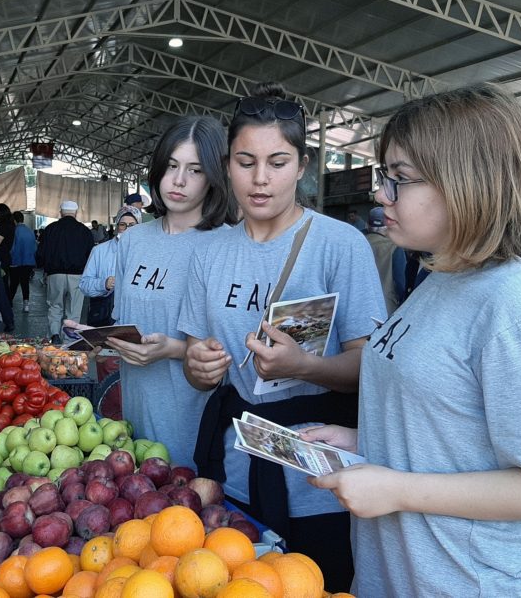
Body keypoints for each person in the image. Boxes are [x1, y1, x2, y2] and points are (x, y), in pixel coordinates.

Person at [304, 84, 521, 596]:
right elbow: (455, 424)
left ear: (467, 184)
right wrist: (367, 442)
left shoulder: (512, 306)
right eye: (386, 178)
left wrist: (398, 488)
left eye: (400, 180)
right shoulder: (439, 280)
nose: (382, 195)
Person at [179, 84, 384, 592]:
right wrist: (197, 366)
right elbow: (196, 356)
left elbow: (370, 365)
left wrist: (304, 367)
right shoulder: (208, 253)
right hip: (233, 471)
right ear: (227, 163)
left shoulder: (340, 245)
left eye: (278, 161)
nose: (261, 179)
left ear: (303, 164)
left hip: (318, 481)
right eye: (246, 162)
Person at [108, 115, 237, 470]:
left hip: (191, 422)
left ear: (213, 177)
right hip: (134, 416)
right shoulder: (132, 241)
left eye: (195, 170)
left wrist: (175, 349)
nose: (178, 181)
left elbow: (234, 351)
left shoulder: (226, 245)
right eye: (171, 166)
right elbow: (126, 323)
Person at [37, 201, 94, 344]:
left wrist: (45, 268)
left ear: (61, 212)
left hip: (55, 274)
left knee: (55, 306)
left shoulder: (50, 229)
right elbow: (90, 255)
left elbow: (40, 253)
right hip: (77, 275)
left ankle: (55, 335)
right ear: (76, 213)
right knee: (73, 310)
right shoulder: (84, 231)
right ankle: (69, 340)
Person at [79, 210, 138, 328]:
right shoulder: (99, 251)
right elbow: (84, 285)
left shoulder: (147, 253)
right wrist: (104, 284)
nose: (127, 229)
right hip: (104, 316)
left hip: (135, 317)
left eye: (132, 225)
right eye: (123, 225)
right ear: (117, 227)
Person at [364, 207, 405, 315]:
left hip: (360, 307)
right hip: (387, 307)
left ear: (367, 225)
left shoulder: (356, 245)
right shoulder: (394, 248)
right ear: (387, 227)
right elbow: (401, 283)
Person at [8, 211, 37, 312]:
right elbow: (34, 248)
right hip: (29, 261)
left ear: (14, 220)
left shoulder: (14, 231)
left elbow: (12, 248)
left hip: (16, 261)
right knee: (25, 283)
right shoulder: (30, 231)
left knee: (13, 284)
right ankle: (26, 305)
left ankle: (8, 304)